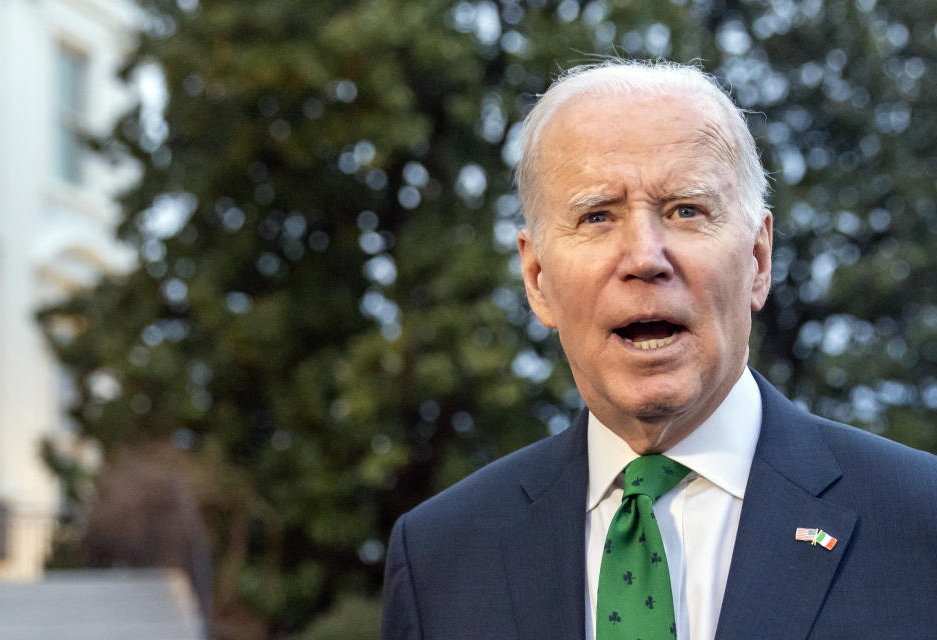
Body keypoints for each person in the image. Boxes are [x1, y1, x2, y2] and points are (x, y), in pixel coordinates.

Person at [380, 60, 937, 640]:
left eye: (685, 210)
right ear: (538, 278)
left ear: (758, 260)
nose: (645, 257)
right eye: (597, 216)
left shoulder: (922, 521)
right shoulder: (439, 557)